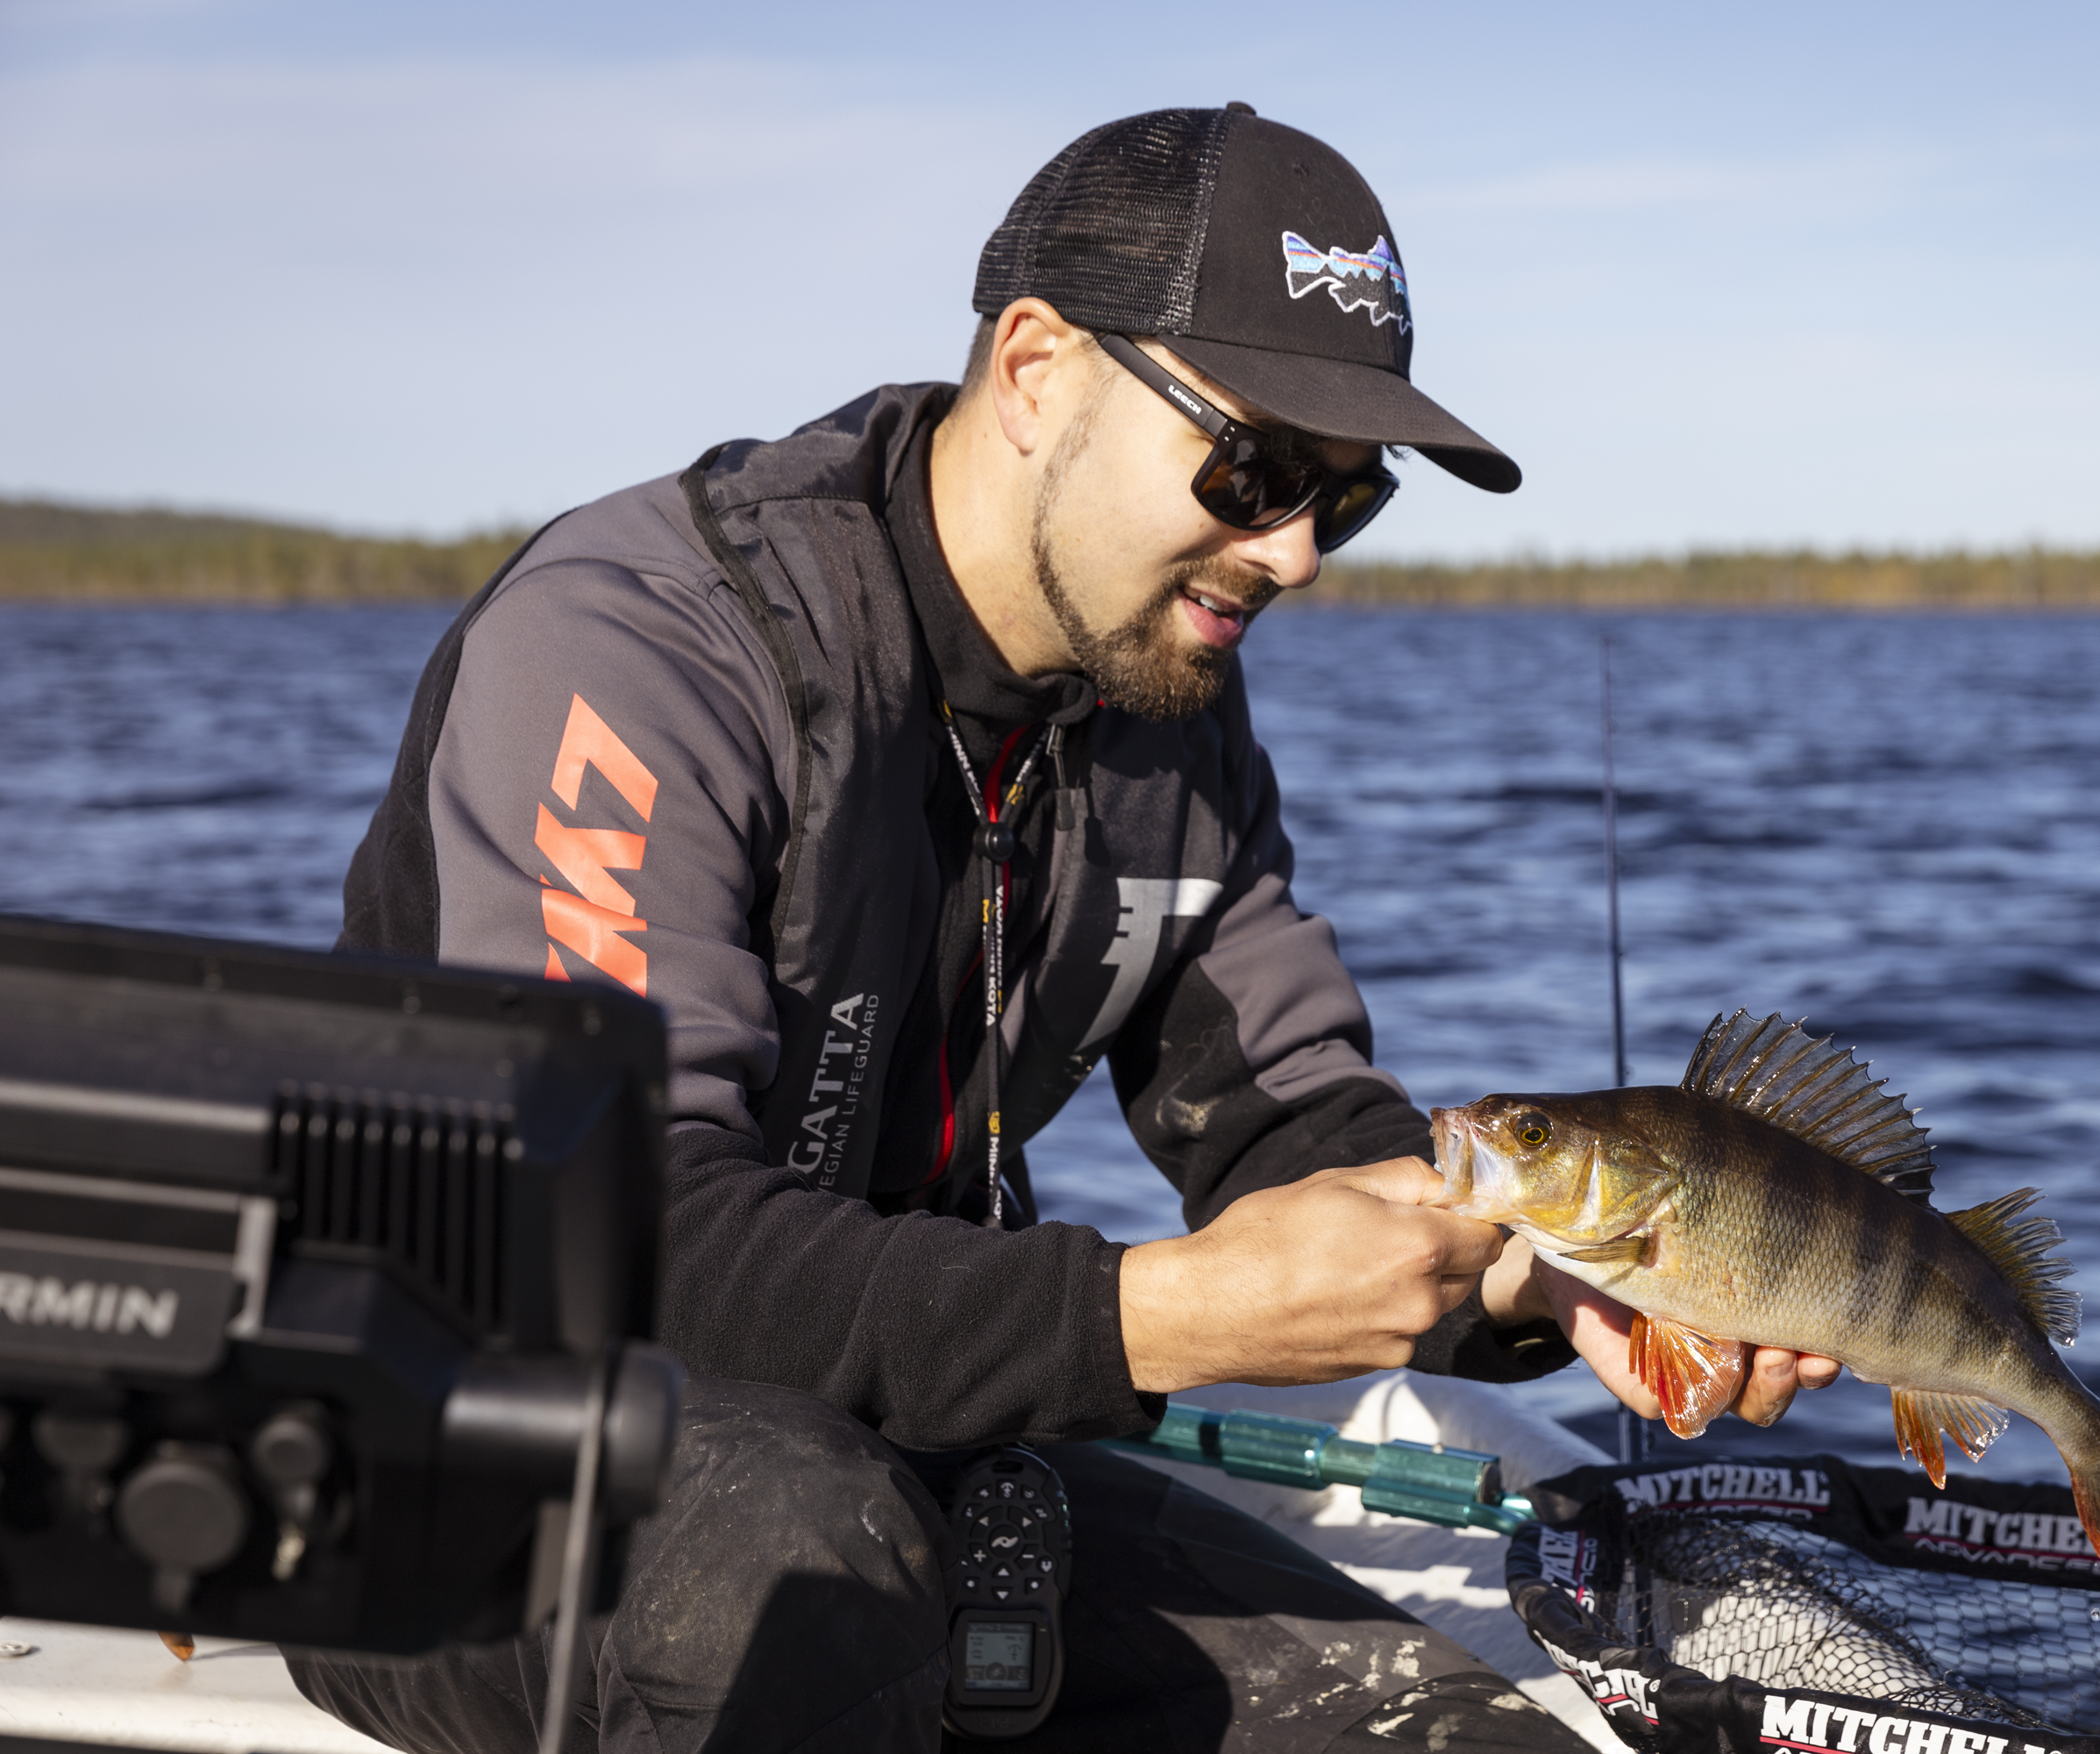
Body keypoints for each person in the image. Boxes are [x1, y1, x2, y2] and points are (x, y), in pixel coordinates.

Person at [295, 104, 1838, 1753]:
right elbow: (619, 1248)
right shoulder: (643, 648)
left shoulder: (1168, 699)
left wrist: (1548, 1280)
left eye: (1348, 498)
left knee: (1452, 1733)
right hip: (446, 1464)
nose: (1298, 552)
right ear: (1035, 370)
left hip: (897, 1448)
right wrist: (1151, 1317)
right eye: (1254, 468)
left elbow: (1289, 1123)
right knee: (797, 1560)